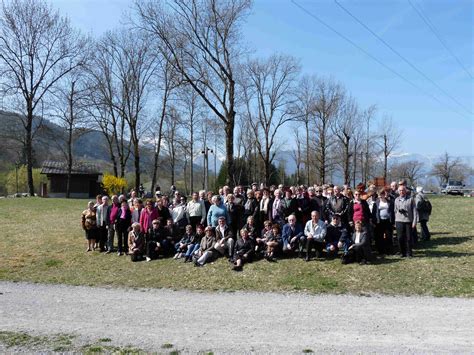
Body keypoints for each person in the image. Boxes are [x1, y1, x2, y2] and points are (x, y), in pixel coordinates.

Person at [394, 185, 418, 258]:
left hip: (408, 221)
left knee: (409, 238)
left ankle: (409, 253)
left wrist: (414, 222)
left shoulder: (410, 199)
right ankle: (402, 252)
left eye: (403, 190)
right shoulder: (396, 200)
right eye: (400, 190)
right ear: (398, 192)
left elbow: (415, 211)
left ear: (405, 191)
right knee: (400, 238)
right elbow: (395, 211)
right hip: (399, 221)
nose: (401, 192)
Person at [374, 188, 395, 255]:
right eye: (379, 195)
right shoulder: (376, 202)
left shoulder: (389, 202)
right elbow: (374, 212)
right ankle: (381, 251)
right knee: (379, 237)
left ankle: (389, 251)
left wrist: (393, 221)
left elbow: (392, 212)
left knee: (389, 236)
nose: (380, 196)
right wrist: (374, 221)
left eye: (381, 194)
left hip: (388, 221)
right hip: (379, 221)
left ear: (384, 194)